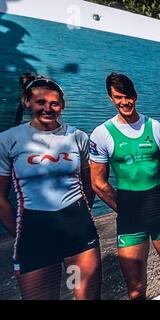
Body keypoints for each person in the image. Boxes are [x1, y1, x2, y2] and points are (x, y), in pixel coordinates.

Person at [0, 75, 101, 300]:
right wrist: (20, 233)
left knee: (84, 296)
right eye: (40, 102)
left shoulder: (78, 137)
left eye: (54, 103)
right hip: (35, 236)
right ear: (27, 102)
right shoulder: (9, 140)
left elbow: (89, 184)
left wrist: (82, 215)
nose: (48, 108)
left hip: (77, 233)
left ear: (62, 105)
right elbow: (1, 199)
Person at [89, 73, 160, 300]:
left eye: (128, 96)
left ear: (136, 96)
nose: (125, 102)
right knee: (136, 288)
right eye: (119, 97)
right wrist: (123, 206)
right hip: (130, 217)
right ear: (111, 98)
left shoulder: (155, 126)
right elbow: (98, 183)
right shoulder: (102, 134)